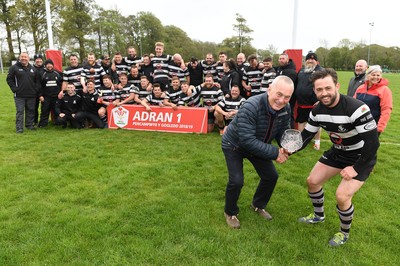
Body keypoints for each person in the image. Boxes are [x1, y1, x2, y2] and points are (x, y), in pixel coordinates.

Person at [296, 68, 380, 247]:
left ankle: (344, 233)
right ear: (314, 91)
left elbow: (373, 143)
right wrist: (288, 150)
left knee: (342, 196)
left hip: (361, 156)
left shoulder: (357, 108)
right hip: (338, 152)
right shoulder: (317, 110)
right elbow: (306, 136)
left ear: (337, 86)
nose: (324, 93)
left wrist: (356, 168)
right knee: (312, 181)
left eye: (328, 88)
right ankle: (319, 216)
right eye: (319, 90)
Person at [222, 75, 294, 229]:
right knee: (236, 181)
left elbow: (283, 130)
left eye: (287, 97)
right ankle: (230, 212)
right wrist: (276, 153)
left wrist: (286, 146)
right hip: (234, 144)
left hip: (258, 144)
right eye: (279, 94)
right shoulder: (251, 106)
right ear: (269, 90)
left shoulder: (285, 108)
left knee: (271, 176)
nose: (281, 100)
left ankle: (258, 204)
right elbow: (247, 140)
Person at [7, 52, 41, 133]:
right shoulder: (14, 68)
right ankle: (19, 128)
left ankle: (29, 125)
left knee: (31, 110)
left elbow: (38, 81)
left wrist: (35, 90)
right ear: (19, 58)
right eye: (22, 57)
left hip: (32, 95)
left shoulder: (33, 69)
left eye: (25, 57)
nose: (24, 58)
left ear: (28, 58)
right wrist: (15, 89)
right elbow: (9, 79)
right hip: (19, 95)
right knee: (20, 111)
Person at [295, 51, 323, 150]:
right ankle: (300, 142)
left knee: (316, 123)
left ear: (317, 61)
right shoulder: (301, 71)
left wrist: (320, 99)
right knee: (301, 122)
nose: (310, 61)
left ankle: (317, 142)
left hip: (314, 103)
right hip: (302, 103)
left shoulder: (321, 71)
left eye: (313, 59)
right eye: (308, 59)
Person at [354, 65, 393, 135]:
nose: (376, 77)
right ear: (367, 75)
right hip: (357, 124)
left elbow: (386, 109)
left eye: (378, 75)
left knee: (369, 145)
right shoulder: (360, 88)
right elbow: (353, 105)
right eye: (373, 75)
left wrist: (380, 128)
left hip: (373, 126)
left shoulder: (385, 90)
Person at [38, 59, 62, 127]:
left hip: (56, 96)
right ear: (45, 66)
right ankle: (42, 124)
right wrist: (40, 95)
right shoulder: (42, 73)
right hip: (46, 97)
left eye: (50, 64)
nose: (49, 65)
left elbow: (61, 83)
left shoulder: (58, 73)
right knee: (45, 111)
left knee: (56, 111)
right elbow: (39, 86)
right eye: (48, 64)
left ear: (53, 65)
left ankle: (58, 123)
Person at [276, 53, 297, 128]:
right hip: (279, 95)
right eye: (280, 59)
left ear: (287, 60)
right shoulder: (280, 68)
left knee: (288, 114)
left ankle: (290, 132)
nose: (281, 60)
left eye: (283, 59)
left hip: (288, 97)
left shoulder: (291, 71)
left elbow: (288, 87)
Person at [33, 54, 45, 126]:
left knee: (44, 108)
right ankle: (35, 121)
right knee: (34, 107)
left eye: (40, 59)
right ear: (35, 60)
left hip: (44, 91)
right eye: (37, 59)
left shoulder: (45, 68)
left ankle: (43, 122)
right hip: (34, 91)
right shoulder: (31, 68)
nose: (39, 60)